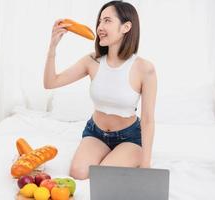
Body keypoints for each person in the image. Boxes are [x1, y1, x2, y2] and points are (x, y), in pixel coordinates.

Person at [43, 0, 157, 180]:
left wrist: (146, 163)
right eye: (100, 21)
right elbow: (51, 82)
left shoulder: (145, 69)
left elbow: (149, 120)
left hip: (130, 137)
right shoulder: (92, 61)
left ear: (126, 27)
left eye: (107, 21)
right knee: (78, 173)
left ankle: (127, 156)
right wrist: (52, 47)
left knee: (103, 175)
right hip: (96, 133)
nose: (99, 27)